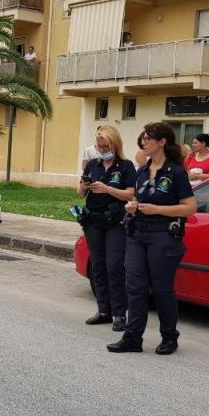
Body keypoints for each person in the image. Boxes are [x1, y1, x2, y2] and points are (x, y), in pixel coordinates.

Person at [108, 121, 197, 355]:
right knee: (134, 287)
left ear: (162, 142)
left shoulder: (176, 172)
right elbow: (138, 198)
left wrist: (157, 210)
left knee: (161, 289)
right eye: (143, 139)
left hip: (163, 235)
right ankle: (132, 337)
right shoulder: (142, 171)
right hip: (138, 233)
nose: (144, 143)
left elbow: (189, 207)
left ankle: (169, 337)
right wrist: (132, 207)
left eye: (148, 139)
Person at [79, 125, 136, 332]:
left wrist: (107, 189)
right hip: (93, 221)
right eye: (99, 146)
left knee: (114, 267)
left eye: (106, 146)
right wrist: (84, 187)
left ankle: (119, 314)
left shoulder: (126, 166)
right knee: (98, 266)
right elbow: (79, 193)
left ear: (115, 144)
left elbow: (130, 194)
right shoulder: (93, 164)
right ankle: (103, 310)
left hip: (115, 222)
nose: (102, 150)